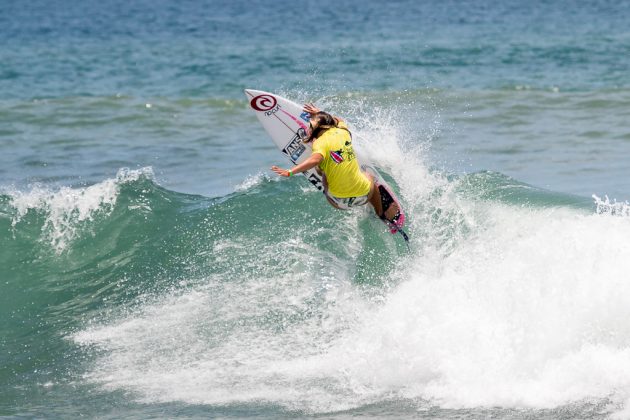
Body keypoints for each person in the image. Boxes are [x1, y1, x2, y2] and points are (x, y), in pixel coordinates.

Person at [271, 103, 400, 225]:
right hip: (365, 195)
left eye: (311, 125)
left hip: (339, 202)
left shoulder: (319, 143)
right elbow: (338, 120)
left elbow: (315, 159)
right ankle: (380, 212)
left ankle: (329, 174)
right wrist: (319, 112)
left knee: (321, 170)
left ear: (320, 128)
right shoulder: (344, 132)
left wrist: (290, 171)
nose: (308, 128)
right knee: (369, 177)